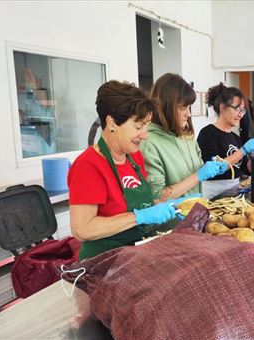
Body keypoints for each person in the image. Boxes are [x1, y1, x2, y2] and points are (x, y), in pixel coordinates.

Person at [68, 80, 179, 260]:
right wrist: (140, 217)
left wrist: (169, 206)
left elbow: (141, 206)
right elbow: (82, 230)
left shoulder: (132, 156)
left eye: (147, 126)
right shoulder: (88, 166)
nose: (145, 134)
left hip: (137, 254)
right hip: (105, 263)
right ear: (111, 122)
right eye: (138, 126)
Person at [140, 73, 227, 202]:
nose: (189, 114)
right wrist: (198, 176)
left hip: (195, 214)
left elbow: (198, 169)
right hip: (173, 221)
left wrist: (211, 168)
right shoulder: (149, 144)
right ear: (165, 108)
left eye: (189, 107)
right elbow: (157, 197)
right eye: (183, 108)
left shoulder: (187, 136)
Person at [197, 83, 254, 199]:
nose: (241, 115)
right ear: (222, 107)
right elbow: (215, 168)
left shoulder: (235, 137)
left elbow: (246, 169)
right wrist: (243, 150)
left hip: (234, 192)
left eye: (243, 111)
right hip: (213, 194)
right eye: (237, 109)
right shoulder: (207, 134)